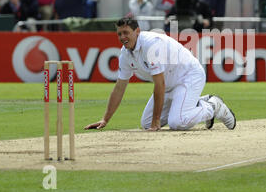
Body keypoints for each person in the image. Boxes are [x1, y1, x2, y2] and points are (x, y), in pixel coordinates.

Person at [84, 17, 236, 132]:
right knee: (146, 123)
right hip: (169, 84)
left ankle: (212, 106)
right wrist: (105, 119)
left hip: (188, 76)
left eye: (126, 33)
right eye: (119, 34)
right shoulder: (125, 54)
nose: (122, 37)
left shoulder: (151, 44)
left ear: (137, 31)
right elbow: (119, 87)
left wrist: (156, 122)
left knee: (178, 122)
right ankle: (198, 102)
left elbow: (159, 84)